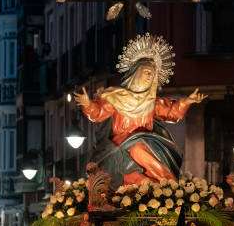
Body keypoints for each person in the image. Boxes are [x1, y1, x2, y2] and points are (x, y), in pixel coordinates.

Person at [74, 34, 206, 187]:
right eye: (147, 72)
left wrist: (187, 101)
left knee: (146, 151)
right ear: (136, 74)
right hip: (123, 141)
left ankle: (160, 185)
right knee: (137, 148)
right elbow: (98, 113)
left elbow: (171, 112)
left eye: (153, 75)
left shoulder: (151, 102)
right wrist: (88, 104)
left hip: (148, 140)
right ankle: (168, 184)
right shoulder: (116, 97)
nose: (150, 77)